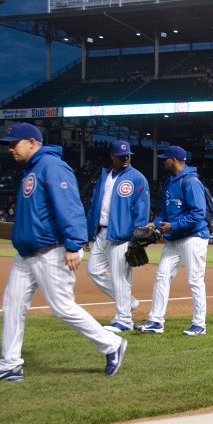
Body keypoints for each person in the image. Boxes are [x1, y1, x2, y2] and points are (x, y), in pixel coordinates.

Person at [0, 123, 126, 383]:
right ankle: (10, 364)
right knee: (12, 305)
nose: (10, 148)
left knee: (63, 307)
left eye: (15, 143)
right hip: (27, 253)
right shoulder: (30, 170)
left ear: (33, 143)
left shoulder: (51, 167)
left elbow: (69, 206)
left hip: (51, 250)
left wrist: (73, 244)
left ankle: (111, 344)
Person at [136, 146, 210, 336]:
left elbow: (199, 214)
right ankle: (156, 321)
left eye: (165, 158)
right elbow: (165, 214)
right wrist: (154, 224)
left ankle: (199, 324)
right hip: (174, 238)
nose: (162, 161)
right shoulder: (169, 182)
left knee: (195, 280)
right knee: (162, 276)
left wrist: (174, 225)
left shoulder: (191, 181)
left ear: (175, 160)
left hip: (193, 237)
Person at [85, 140, 150, 332]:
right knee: (93, 270)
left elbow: (141, 211)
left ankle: (124, 320)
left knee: (120, 278)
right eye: (121, 156)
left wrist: (137, 239)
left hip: (122, 234)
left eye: (128, 155)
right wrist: (90, 234)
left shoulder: (137, 178)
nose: (126, 158)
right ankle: (127, 300)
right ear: (112, 156)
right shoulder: (104, 176)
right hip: (102, 232)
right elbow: (95, 206)